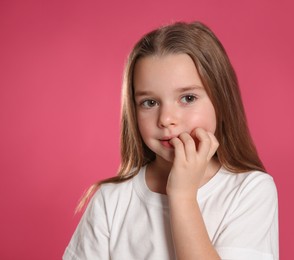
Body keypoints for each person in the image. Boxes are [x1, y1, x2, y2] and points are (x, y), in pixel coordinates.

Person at [63, 21, 278, 260]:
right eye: (150, 103)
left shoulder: (250, 191)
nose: (166, 119)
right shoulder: (110, 200)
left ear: (221, 100)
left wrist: (183, 196)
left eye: (187, 98)